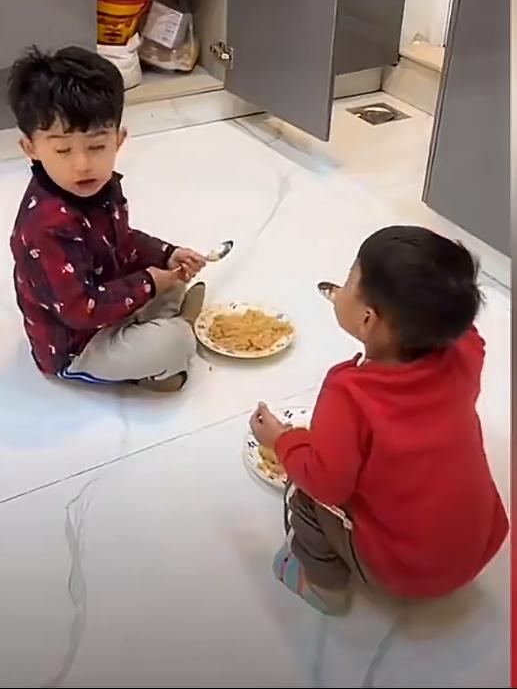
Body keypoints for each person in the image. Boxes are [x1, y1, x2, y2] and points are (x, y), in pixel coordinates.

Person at [250, 226, 508, 613]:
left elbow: (327, 483)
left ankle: (324, 587)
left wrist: (281, 439)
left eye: (348, 280)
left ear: (367, 319)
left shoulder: (351, 393)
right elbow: (468, 331)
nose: (339, 289)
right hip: (480, 545)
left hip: (406, 573)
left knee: (302, 491)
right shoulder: (465, 351)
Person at [9, 46, 206, 392]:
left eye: (97, 146)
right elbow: (79, 310)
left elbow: (123, 239)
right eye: (62, 150)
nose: (82, 165)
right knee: (173, 343)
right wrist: (149, 283)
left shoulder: (102, 184)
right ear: (31, 149)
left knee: (174, 275)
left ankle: (163, 326)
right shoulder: (46, 227)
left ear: (118, 140)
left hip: (109, 301)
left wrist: (168, 254)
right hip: (77, 344)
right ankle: (168, 340)